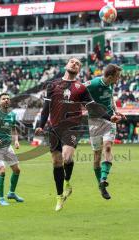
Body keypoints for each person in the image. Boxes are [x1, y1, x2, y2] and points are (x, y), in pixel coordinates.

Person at [35, 58, 121, 211]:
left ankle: (68, 180)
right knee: (56, 162)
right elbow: (46, 107)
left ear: (79, 70)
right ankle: (60, 195)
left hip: (73, 127)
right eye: (72, 62)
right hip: (54, 127)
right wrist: (40, 126)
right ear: (66, 65)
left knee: (67, 157)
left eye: (78, 64)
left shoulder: (81, 87)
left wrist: (110, 117)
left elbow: (93, 106)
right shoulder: (52, 85)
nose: (74, 64)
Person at [85, 64, 126, 200]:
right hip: (94, 121)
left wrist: (115, 110)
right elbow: (78, 89)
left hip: (110, 119)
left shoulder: (111, 84)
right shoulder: (94, 83)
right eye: (117, 76)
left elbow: (110, 98)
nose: (118, 79)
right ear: (110, 76)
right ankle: (100, 185)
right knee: (97, 155)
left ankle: (103, 179)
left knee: (107, 147)